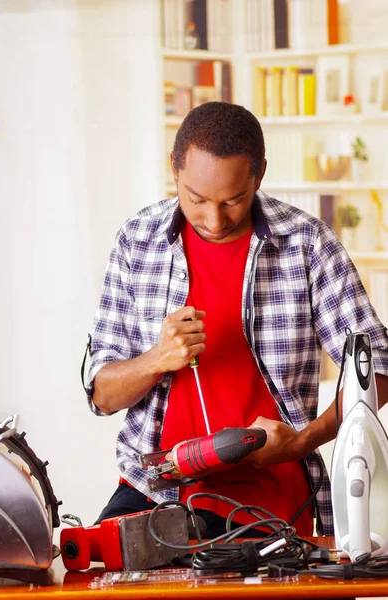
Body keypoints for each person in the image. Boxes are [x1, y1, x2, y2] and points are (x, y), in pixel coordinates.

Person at [84, 102, 388, 538]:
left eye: (233, 200)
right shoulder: (138, 240)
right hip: (155, 489)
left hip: (268, 497)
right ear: (174, 169)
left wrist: (303, 442)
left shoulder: (307, 244)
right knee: (89, 569)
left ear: (259, 175)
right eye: (196, 199)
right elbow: (102, 395)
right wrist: (156, 359)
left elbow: (377, 368)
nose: (213, 220)